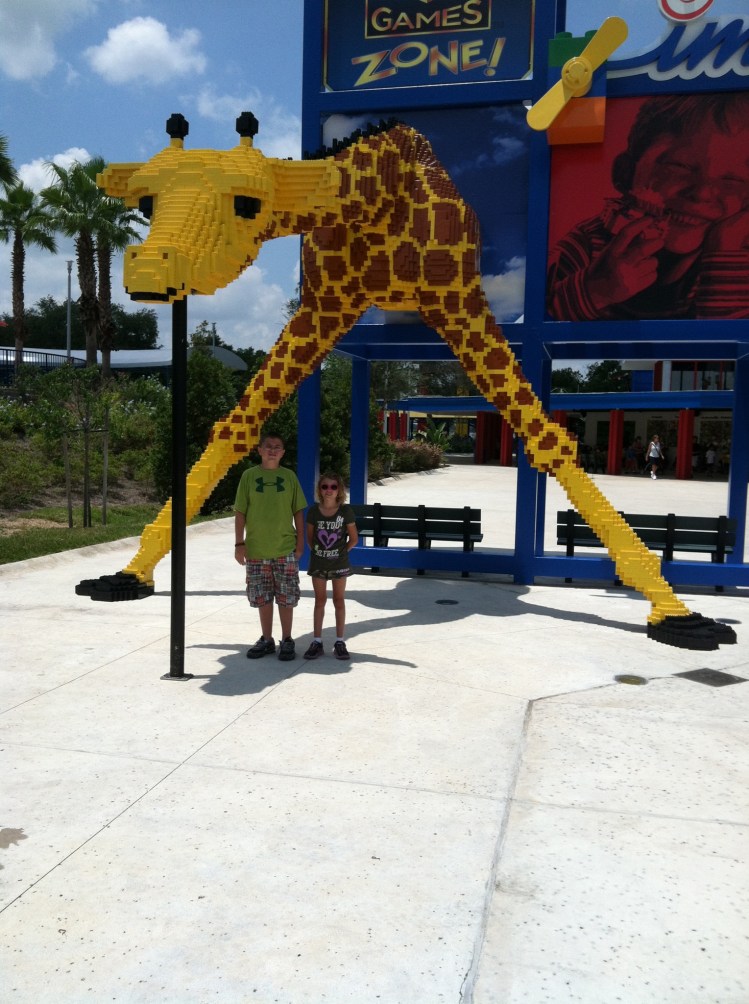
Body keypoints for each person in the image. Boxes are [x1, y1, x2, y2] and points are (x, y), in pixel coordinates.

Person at [547, 92, 749, 321]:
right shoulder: (584, 247)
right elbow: (537, 324)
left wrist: (725, 254)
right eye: (679, 166)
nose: (702, 193)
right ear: (625, 172)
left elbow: (731, 342)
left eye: (731, 180)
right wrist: (594, 292)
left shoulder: (735, 260)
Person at [234, 433, 307, 661]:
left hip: (285, 548)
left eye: (277, 447)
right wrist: (239, 543)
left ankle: (287, 639)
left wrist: (300, 543)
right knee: (262, 597)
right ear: (259, 450)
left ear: (283, 452)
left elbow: (298, 511)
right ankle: (267, 639)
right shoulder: (248, 476)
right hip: (256, 550)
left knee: (286, 597)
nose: (272, 450)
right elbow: (240, 512)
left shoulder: (289, 477)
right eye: (268, 446)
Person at [303, 473, 358, 661]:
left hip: (339, 564)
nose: (329, 490)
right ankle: (317, 641)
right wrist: (320, 553)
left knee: (339, 600)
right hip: (318, 563)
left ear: (339, 490)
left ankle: (340, 641)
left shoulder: (345, 511)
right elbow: (310, 538)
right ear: (320, 489)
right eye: (325, 486)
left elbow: (354, 538)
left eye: (333, 487)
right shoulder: (313, 511)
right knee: (319, 601)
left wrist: (341, 553)